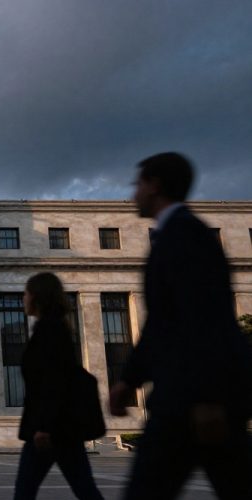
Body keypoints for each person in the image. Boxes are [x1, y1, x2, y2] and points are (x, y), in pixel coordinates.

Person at [110, 152, 252, 499]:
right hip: (197, 398)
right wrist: (130, 378)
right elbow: (164, 321)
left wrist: (206, 397)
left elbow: (201, 318)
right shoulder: (180, 233)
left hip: (192, 399)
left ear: (155, 186)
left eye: (138, 184)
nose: (133, 195)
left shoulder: (185, 236)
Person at [13, 272, 104, 500]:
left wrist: (44, 426)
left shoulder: (50, 332)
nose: (22, 298)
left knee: (25, 491)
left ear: (36, 297)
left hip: (50, 429)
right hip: (61, 429)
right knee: (84, 488)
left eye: (25, 293)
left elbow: (54, 382)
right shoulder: (51, 329)